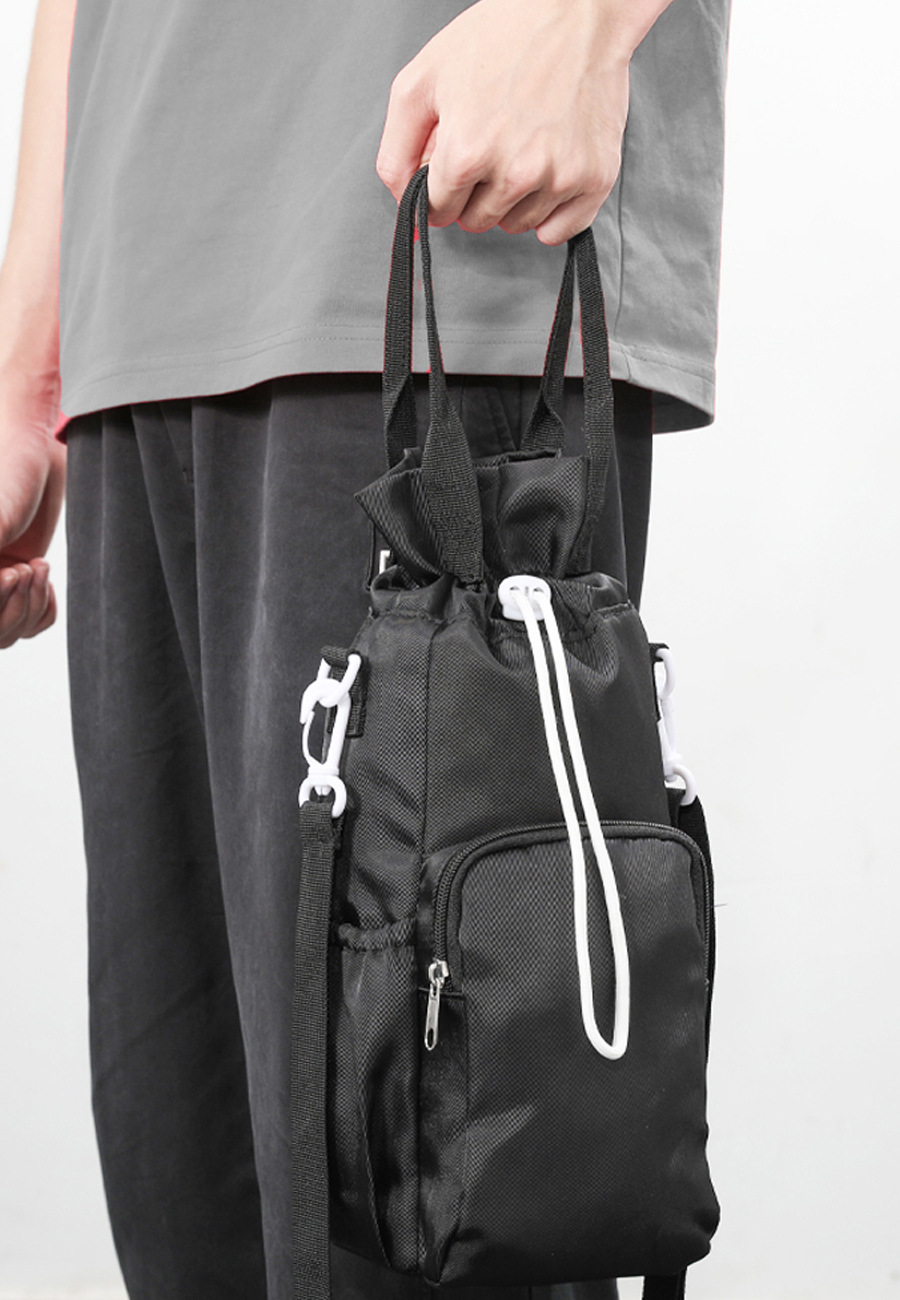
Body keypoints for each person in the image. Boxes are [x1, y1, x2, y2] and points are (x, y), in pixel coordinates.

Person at [0, 0, 731, 1296]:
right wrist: (24, 372)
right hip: (134, 306)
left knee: (434, 1217)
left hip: (449, 244)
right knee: (195, 1206)